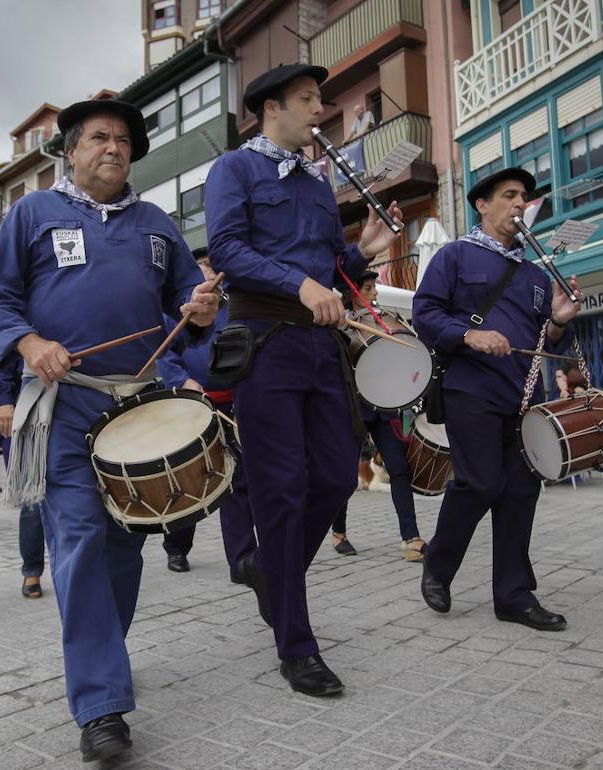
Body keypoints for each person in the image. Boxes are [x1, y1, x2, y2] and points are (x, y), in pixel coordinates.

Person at [0, 98, 219, 762]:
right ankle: (102, 704)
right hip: (62, 402)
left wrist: (198, 311)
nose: (113, 147)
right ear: (71, 151)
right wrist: (28, 344)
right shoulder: (31, 214)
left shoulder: (157, 225)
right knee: (79, 540)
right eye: (99, 138)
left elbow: (185, 308)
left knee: (124, 548)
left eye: (123, 140)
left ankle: (102, 657)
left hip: (137, 406)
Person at [204, 63, 402, 697]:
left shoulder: (319, 184)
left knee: (340, 472)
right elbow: (229, 249)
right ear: (270, 108)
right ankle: (297, 644)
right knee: (281, 490)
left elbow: (327, 263)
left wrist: (362, 250)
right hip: (266, 340)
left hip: (322, 345)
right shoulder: (235, 169)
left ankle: (267, 565)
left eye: (320, 99)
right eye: (308, 100)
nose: (321, 110)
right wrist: (301, 284)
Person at [413, 166, 582, 631]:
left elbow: (548, 342)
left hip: (525, 394)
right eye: (508, 195)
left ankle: (513, 595)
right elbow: (424, 313)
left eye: (524, 197)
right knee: (481, 482)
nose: (518, 204)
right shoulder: (455, 255)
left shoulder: (536, 273)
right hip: (471, 387)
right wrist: (469, 335)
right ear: (482, 205)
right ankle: (439, 565)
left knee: (522, 491)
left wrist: (561, 321)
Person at [155, 250, 258, 579]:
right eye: (201, 274)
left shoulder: (233, 308)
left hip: (236, 404)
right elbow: (163, 354)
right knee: (190, 478)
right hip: (192, 404)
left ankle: (241, 558)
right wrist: (183, 381)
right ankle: (177, 547)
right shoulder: (179, 312)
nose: (208, 279)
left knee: (235, 479)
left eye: (213, 273)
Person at [328, 270, 426, 561]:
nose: (375, 293)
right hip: (352, 406)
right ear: (352, 292)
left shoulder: (383, 319)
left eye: (374, 287)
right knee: (346, 474)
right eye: (368, 288)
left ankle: (411, 537)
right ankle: (339, 533)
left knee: (398, 468)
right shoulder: (340, 322)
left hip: (381, 406)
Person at [0, 353, 45, 597]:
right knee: (33, 496)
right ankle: (31, 570)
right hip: (31, 407)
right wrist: (4, 401)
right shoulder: (22, 319)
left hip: (80, 400)